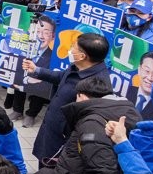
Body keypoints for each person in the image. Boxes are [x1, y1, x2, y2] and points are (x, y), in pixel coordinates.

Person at [23, 32, 112, 163]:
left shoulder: (98, 85)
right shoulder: (78, 66)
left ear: (82, 56)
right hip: (51, 130)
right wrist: (37, 70)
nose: (70, 50)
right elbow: (62, 77)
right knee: (43, 166)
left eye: (73, 47)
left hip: (63, 142)